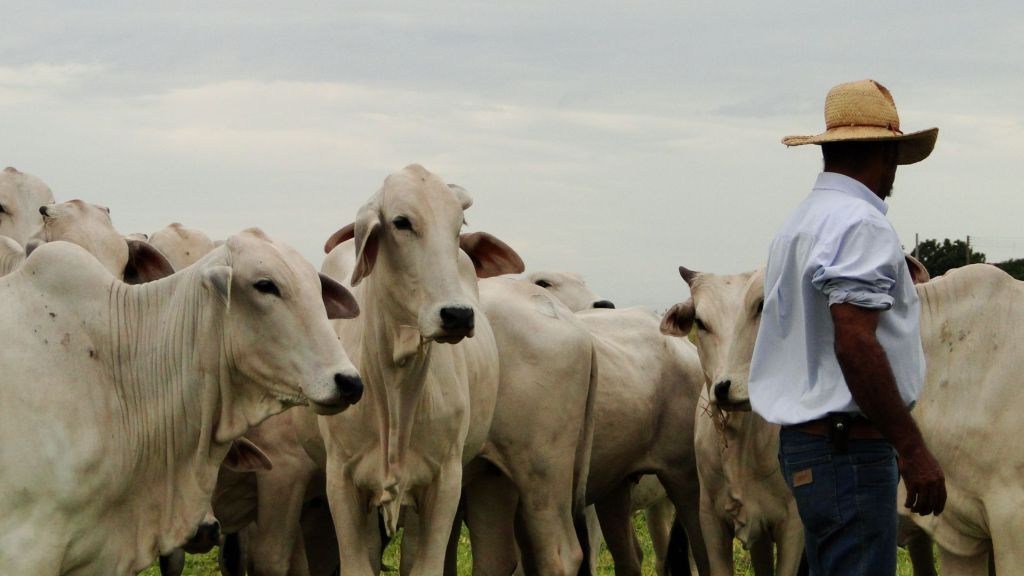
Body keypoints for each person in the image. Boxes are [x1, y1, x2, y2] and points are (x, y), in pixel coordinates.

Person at [748, 79, 946, 575]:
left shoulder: (798, 224)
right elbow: (855, 342)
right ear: (887, 155)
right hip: (850, 451)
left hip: (809, 444)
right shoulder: (861, 224)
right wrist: (913, 448)